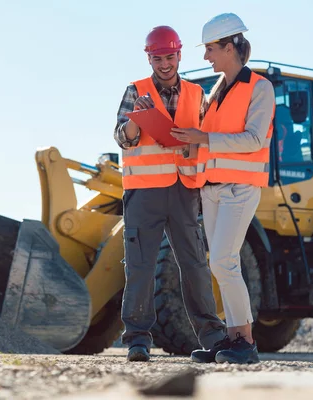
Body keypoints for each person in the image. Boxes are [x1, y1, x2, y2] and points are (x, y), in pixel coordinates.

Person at [114, 25, 227, 362]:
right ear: (150, 58)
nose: (165, 64)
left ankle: (213, 336)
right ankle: (137, 339)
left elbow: (206, 136)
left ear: (179, 55)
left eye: (170, 57)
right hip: (143, 193)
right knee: (140, 266)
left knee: (194, 265)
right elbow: (122, 137)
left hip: (184, 191)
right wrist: (138, 118)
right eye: (158, 58)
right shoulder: (135, 90)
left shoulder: (196, 94)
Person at [170, 13, 275, 364]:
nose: (206, 57)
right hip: (212, 190)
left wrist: (205, 138)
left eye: (211, 49)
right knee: (219, 263)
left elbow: (254, 138)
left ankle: (244, 340)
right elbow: (209, 141)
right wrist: (188, 141)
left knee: (226, 262)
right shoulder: (215, 92)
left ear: (230, 47)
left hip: (239, 189)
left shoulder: (259, 88)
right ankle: (232, 338)